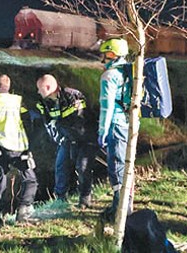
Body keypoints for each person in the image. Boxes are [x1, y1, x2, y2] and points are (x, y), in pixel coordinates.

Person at [0, 74, 38, 226]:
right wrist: (30, 147)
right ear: (9, 86)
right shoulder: (16, 101)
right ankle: (22, 213)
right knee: (30, 179)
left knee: (0, 180)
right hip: (16, 147)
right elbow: (28, 123)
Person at [35, 74, 97, 208]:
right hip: (66, 138)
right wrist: (59, 137)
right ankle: (60, 199)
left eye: (40, 89)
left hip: (85, 137)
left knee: (83, 166)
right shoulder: (43, 103)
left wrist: (64, 129)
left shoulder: (73, 96)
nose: (38, 92)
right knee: (60, 165)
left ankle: (85, 197)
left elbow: (81, 120)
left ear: (48, 87)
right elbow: (49, 123)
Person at [97, 38, 132, 221]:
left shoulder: (109, 76)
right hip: (129, 124)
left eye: (105, 53)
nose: (103, 57)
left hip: (115, 125)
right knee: (127, 165)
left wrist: (102, 131)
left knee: (116, 166)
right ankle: (122, 205)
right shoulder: (128, 71)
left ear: (111, 54)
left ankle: (121, 210)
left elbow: (107, 107)